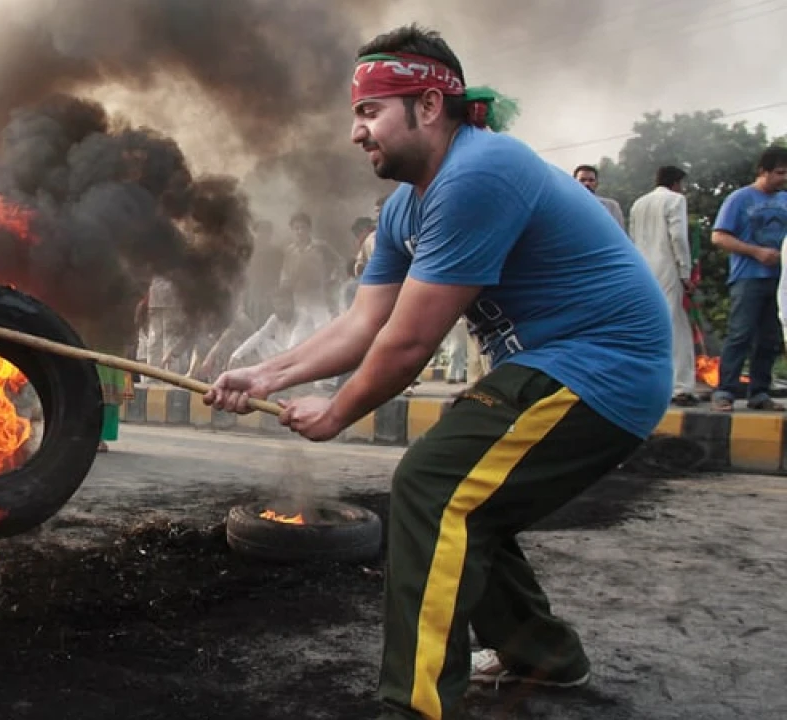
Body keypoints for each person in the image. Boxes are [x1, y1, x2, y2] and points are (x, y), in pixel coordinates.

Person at [205, 25, 670, 720]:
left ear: (428, 105)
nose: (356, 133)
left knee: (432, 485)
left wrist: (337, 413)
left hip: (602, 366)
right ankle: (544, 654)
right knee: (466, 500)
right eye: (355, 115)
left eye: (370, 112)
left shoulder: (481, 172)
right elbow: (361, 327)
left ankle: (417, 704)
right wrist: (265, 376)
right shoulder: (404, 209)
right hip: (545, 370)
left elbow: (408, 342)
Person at [711, 146, 787, 412]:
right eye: (779, 173)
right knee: (740, 334)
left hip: (779, 281)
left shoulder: (785, 199)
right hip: (748, 277)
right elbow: (718, 236)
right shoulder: (740, 199)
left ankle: (759, 392)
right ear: (762, 171)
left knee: (770, 338)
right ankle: (725, 391)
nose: (783, 178)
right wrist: (756, 251)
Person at [629, 165, 698, 406]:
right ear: (676, 182)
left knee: (649, 325)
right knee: (675, 325)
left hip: (643, 270)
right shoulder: (675, 200)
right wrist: (685, 271)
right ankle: (680, 386)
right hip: (667, 266)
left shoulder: (639, 203)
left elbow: (633, 239)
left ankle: (647, 382)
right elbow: (678, 237)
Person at [573, 164, 627, 231]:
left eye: (591, 180)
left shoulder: (611, 206)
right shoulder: (568, 207)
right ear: (574, 182)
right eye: (582, 180)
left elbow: (620, 233)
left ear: (596, 183)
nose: (587, 183)